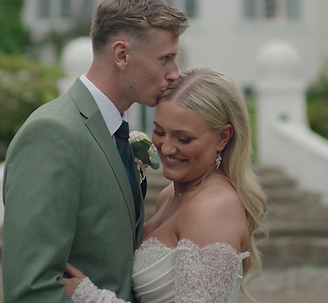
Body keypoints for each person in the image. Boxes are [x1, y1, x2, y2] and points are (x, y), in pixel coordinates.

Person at [2, 0, 189, 303]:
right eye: (165, 59)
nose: (175, 73)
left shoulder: (114, 132)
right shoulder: (53, 134)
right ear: (122, 55)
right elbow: (30, 291)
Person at [62, 67, 268, 303]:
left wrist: (88, 297)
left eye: (184, 139)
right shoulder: (170, 194)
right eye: (159, 131)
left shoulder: (213, 208)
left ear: (223, 137)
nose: (167, 149)